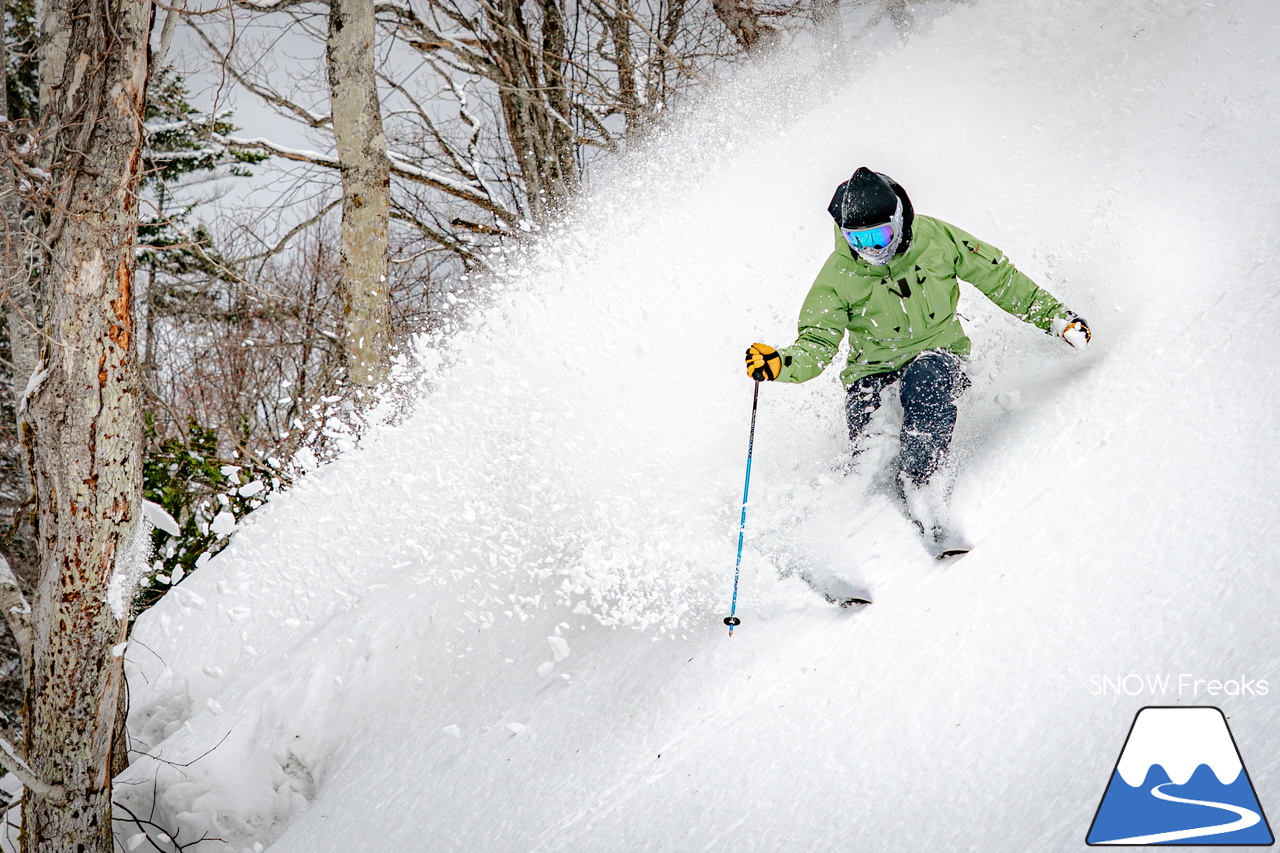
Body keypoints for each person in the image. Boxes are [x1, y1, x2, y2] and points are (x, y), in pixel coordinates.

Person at [745, 167, 1089, 556]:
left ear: (898, 220)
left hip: (939, 359)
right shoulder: (838, 275)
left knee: (925, 378)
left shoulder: (935, 239)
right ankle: (814, 534)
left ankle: (923, 482)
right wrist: (781, 363)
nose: (872, 249)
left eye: (880, 236)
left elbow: (1000, 279)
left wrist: (1056, 318)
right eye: (859, 239)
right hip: (872, 374)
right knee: (871, 451)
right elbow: (817, 341)